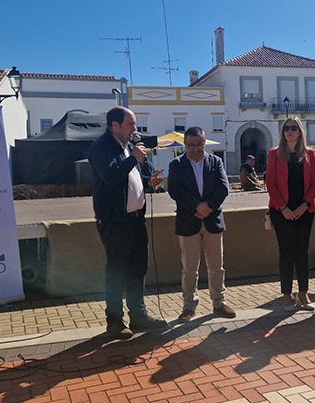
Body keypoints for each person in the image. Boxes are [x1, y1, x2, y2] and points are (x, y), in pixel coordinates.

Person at [88, 107, 168, 340]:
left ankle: (138, 316)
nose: (135, 129)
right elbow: (111, 176)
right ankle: (114, 321)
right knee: (116, 272)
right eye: (131, 124)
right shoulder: (102, 147)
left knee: (137, 270)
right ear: (115, 125)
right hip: (115, 221)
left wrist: (148, 180)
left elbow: (129, 179)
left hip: (135, 220)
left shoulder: (126, 147)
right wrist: (133, 157)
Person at [168, 126, 236, 321]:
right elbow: (175, 190)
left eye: (199, 144)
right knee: (189, 269)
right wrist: (196, 207)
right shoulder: (176, 165)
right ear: (185, 145)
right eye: (191, 145)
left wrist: (209, 206)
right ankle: (189, 307)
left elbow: (223, 187)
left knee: (217, 267)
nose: (195, 149)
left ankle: (219, 304)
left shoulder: (216, 162)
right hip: (188, 222)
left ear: (204, 143)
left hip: (212, 221)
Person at [266, 116, 315, 312]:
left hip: (305, 211)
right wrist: (284, 208)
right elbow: (270, 183)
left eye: (294, 128)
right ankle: (287, 295)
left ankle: (304, 293)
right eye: (286, 128)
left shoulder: (310, 154)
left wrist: (303, 206)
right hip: (282, 212)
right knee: (286, 252)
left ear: (299, 132)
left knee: (302, 252)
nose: (289, 131)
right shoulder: (274, 154)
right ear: (283, 132)